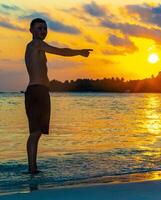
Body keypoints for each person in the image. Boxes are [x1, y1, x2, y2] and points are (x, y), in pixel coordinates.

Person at [24, 18, 93, 174]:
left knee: (37, 132)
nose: (43, 31)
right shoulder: (36, 44)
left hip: (38, 91)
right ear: (31, 31)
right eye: (39, 28)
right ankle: (32, 169)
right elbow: (61, 51)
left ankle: (33, 167)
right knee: (35, 132)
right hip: (37, 91)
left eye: (45, 28)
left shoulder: (35, 46)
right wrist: (79, 52)